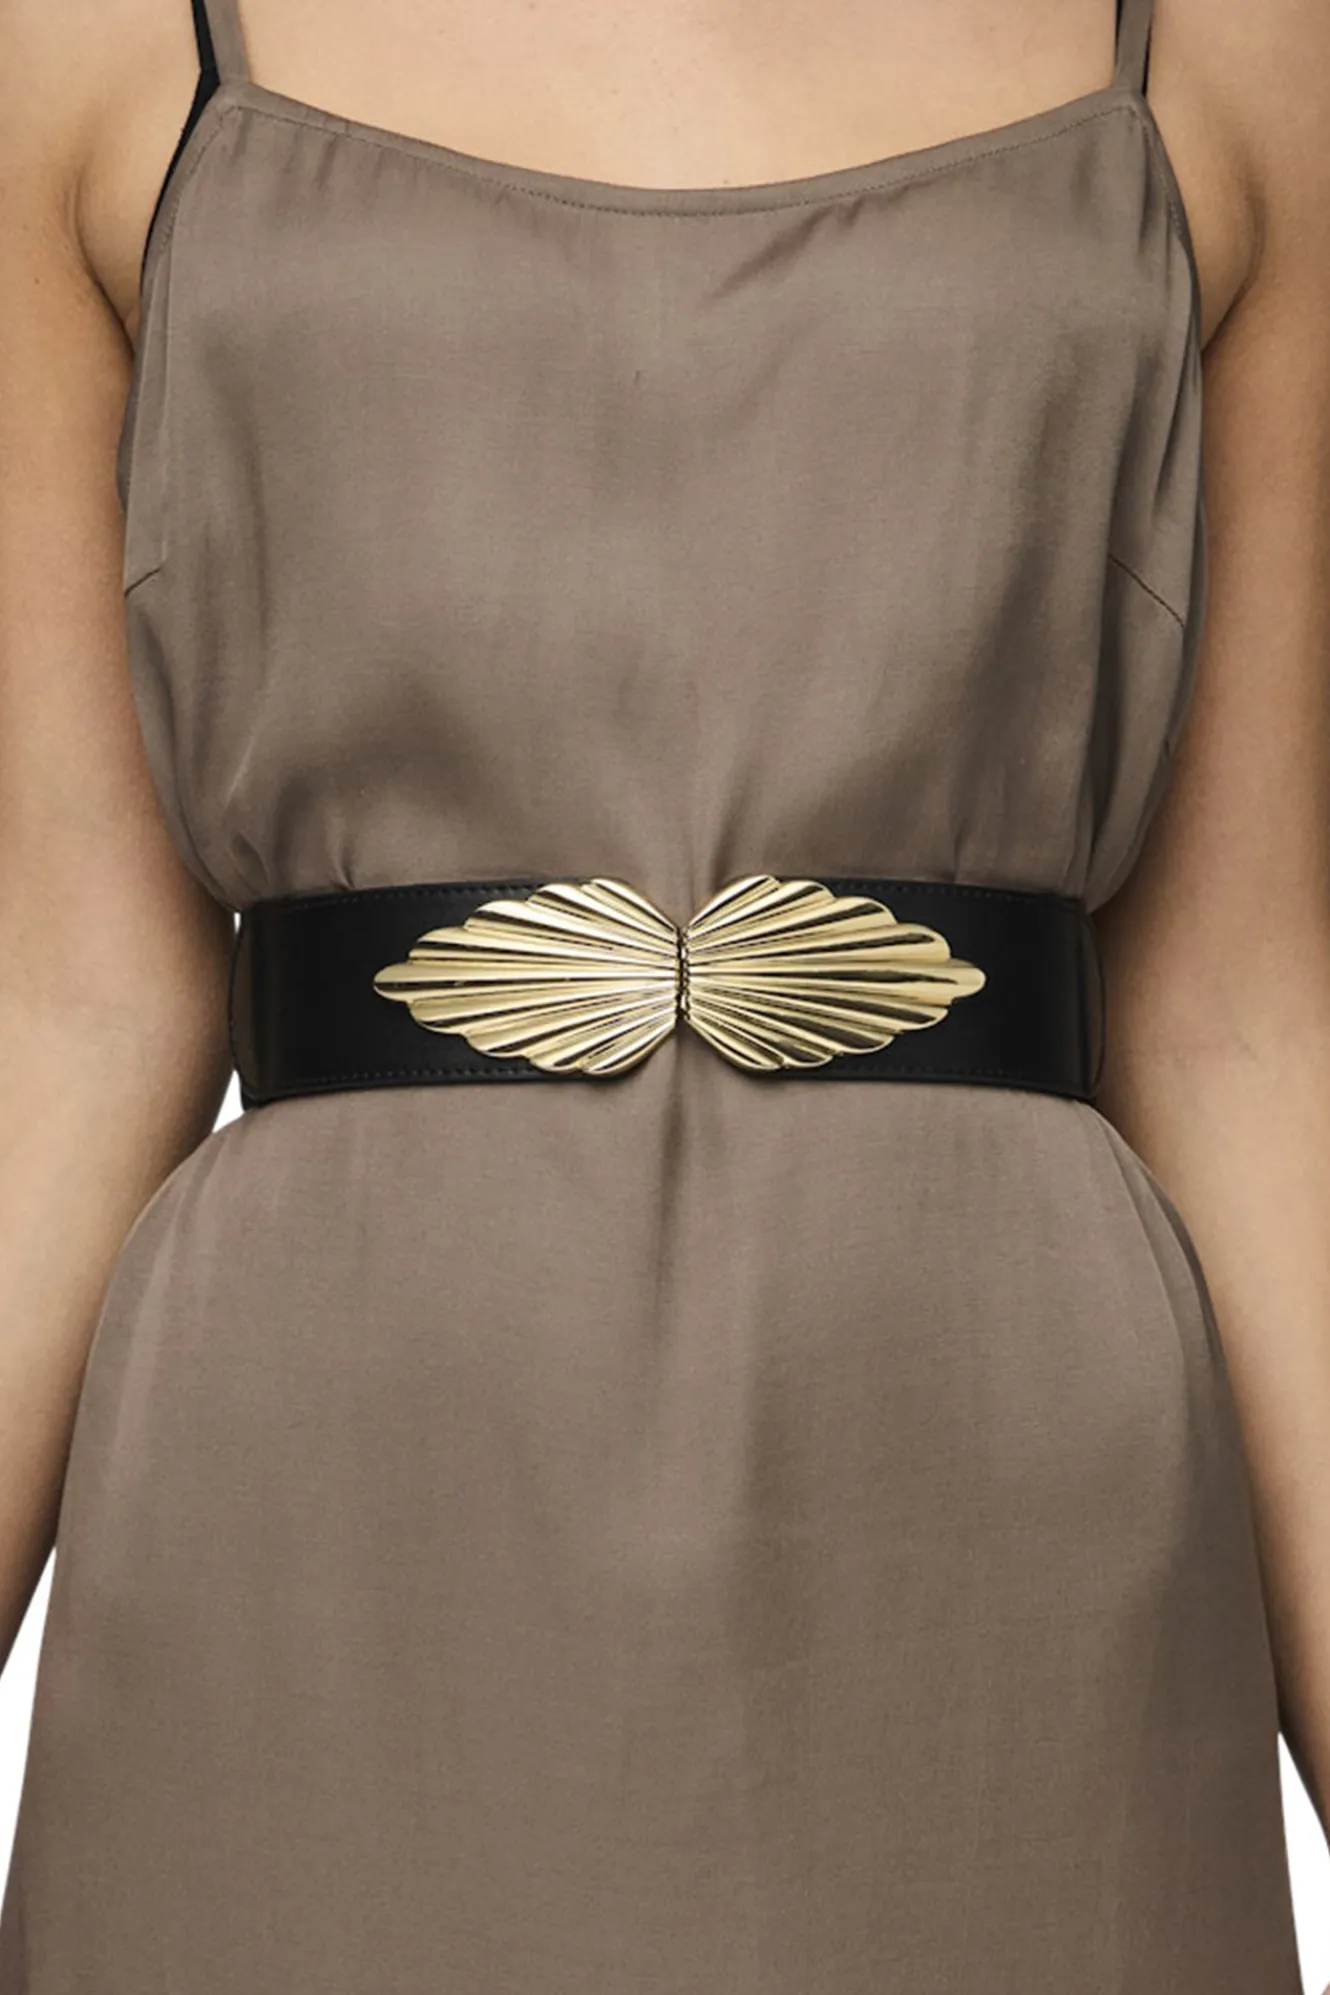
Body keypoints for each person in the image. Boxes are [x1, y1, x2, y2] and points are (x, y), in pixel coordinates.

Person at [0, 0, 1327, 1985]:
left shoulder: (1237, 41)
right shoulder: (88, 40)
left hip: (1002, 1511)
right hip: (324, 1513)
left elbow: (1240, 1018)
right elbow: (72, 999)